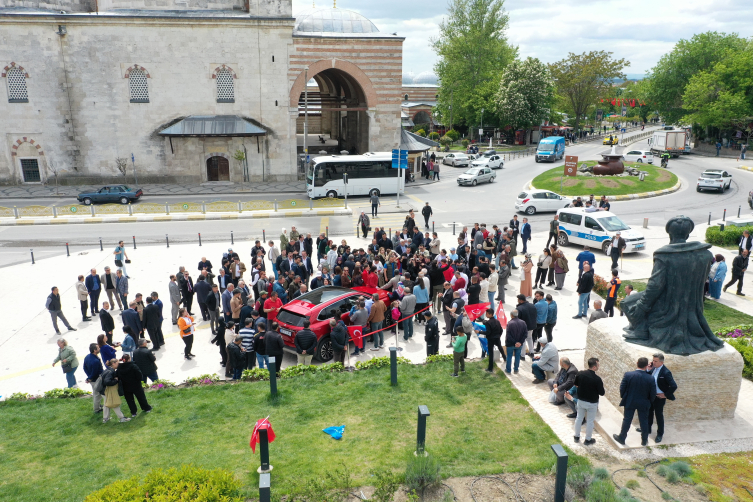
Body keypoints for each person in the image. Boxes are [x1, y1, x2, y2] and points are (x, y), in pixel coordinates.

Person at [613, 357, 657, 446]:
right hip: (644, 402)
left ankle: (622, 438)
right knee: (644, 421)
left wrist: (625, 397)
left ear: (637, 363)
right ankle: (644, 440)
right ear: (646, 366)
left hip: (630, 400)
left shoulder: (628, 375)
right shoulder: (650, 378)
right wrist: (649, 401)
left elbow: (622, 388)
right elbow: (653, 393)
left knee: (627, 420)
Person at [637, 353, 677, 443]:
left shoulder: (666, 372)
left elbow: (674, 386)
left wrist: (665, 395)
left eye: (655, 361)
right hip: (651, 396)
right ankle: (647, 429)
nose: (653, 362)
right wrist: (648, 370)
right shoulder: (653, 368)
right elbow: (648, 378)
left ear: (661, 362)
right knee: (649, 413)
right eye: (653, 360)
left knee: (659, 415)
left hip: (659, 397)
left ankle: (660, 434)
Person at [573, 357, 605, 445]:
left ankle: (576, 436)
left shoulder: (580, 374)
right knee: (590, 421)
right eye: (598, 365)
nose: (599, 366)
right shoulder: (597, 379)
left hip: (581, 401)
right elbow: (602, 393)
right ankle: (587, 439)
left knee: (579, 418)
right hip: (592, 403)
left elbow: (576, 384)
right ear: (594, 367)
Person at [101, 359, 131, 423]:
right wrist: (115, 380)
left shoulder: (107, 370)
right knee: (114, 403)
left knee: (106, 404)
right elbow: (107, 382)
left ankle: (105, 419)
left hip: (103, 390)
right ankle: (122, 418)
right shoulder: (111, 372)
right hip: (107, 391)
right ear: (113, 363)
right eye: (117, 363)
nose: (118, 364)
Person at [504, 309, 527, 374]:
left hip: (510, 344)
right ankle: (516, 369)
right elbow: (525, 334)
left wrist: (515, 342)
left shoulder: (510, 323)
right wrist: (520, 342)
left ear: (511, 315)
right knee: (517, 357)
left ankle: (508, 370)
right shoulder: (523, 322)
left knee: (509, 357)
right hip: (519, 345)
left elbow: (508, 335)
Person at [83, 343, 104, 413]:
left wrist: (89, 376)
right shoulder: (95, 361)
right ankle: (97, 409)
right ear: (95, 350)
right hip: (96, 380)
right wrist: (90, 378)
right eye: (98, 348)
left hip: (92, 379)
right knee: (97, 395)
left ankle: (97, 406)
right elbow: (95, 372)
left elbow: (84, 367)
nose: (99, 349)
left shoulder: (87, 357)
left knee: (96, 393)